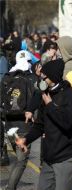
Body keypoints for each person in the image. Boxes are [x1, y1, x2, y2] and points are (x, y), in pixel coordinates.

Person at [16, 59, 72, 190]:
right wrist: (26, 140)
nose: (41, 78)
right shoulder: (46, 95)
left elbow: (66, 123)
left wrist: (50, 105)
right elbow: (39, 125)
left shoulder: (68, 95)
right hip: (48, 158)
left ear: (53, 76)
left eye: (44, 76)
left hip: (64, 158)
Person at [0, 50, 36, 190]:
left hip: (9, 125)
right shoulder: (31, 78)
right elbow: (36, 102)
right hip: (24, 125)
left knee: (19, 158)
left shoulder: (7, 77)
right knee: (22, 161)